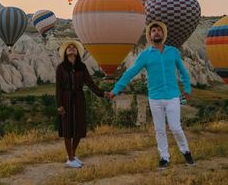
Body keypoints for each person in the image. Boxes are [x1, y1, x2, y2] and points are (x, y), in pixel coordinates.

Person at [106, 21, 195, 168]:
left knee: (175, 127)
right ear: (150, 35)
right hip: (155, 97)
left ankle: (186, 152)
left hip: (173, 96)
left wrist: (187, 88)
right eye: (153, 30)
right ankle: (164, 157)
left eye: (159, 30)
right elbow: (130, 73)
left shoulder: (173, 52)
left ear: (163, 34)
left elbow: (183, 72)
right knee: (159, 129)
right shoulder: (145, 55)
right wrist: (116, 90)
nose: (156, 32)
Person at [56, 40, 107, 168]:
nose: (71, 49)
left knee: (78, 128)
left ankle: (72, 156)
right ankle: (71, 158)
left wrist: (103, 93)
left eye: (74, 47)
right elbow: (58, 88)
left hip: (79, 98)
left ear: (77, 52)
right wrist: (59, 105)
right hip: (66, 98)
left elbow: (90, 83)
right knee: (67, 129)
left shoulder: (82, 67)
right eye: (69, 47)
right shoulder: (61, 68)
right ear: (65, 52)